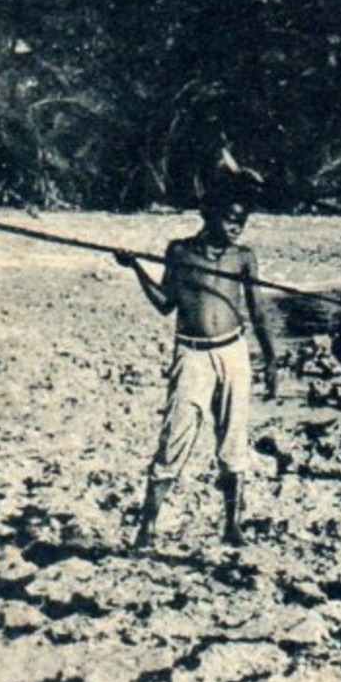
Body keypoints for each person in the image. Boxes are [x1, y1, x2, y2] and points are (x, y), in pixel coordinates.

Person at [116, 189, 277, 549]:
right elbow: (165, 304)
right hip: (192, 355)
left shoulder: (243, 258)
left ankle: (232, 525)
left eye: (243, 221)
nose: (236, 227)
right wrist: (136, 269)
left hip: (234, 354)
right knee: (174, 438)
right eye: (230, 218)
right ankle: (147, 528)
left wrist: (271, 360)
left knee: (233, 439)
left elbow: (258, 311)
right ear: (209, 214)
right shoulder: (180, 252)